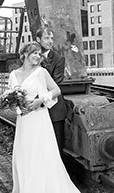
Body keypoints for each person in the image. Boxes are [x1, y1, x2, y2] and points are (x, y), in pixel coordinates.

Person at [9, 42, 80, 193]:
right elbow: (11, 97)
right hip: (23, 119)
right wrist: (16, 106)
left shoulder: (41, 72)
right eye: (34, 53)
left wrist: (41, 100)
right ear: (24, 55)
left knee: (41, 153)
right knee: (24, 154)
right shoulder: (13, 75)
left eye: (39, 54)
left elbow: (56, 90)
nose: (37, 56)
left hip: (39, 118)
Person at [36, 26, 67, 154]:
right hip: (36, 110)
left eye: (52, 38)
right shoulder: (32, 57)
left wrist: (38, 98)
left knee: (56, 148)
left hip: (54, 110)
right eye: (46, 38)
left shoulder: (59, 59)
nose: (50, 41)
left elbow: (56, 83)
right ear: (38, 39)